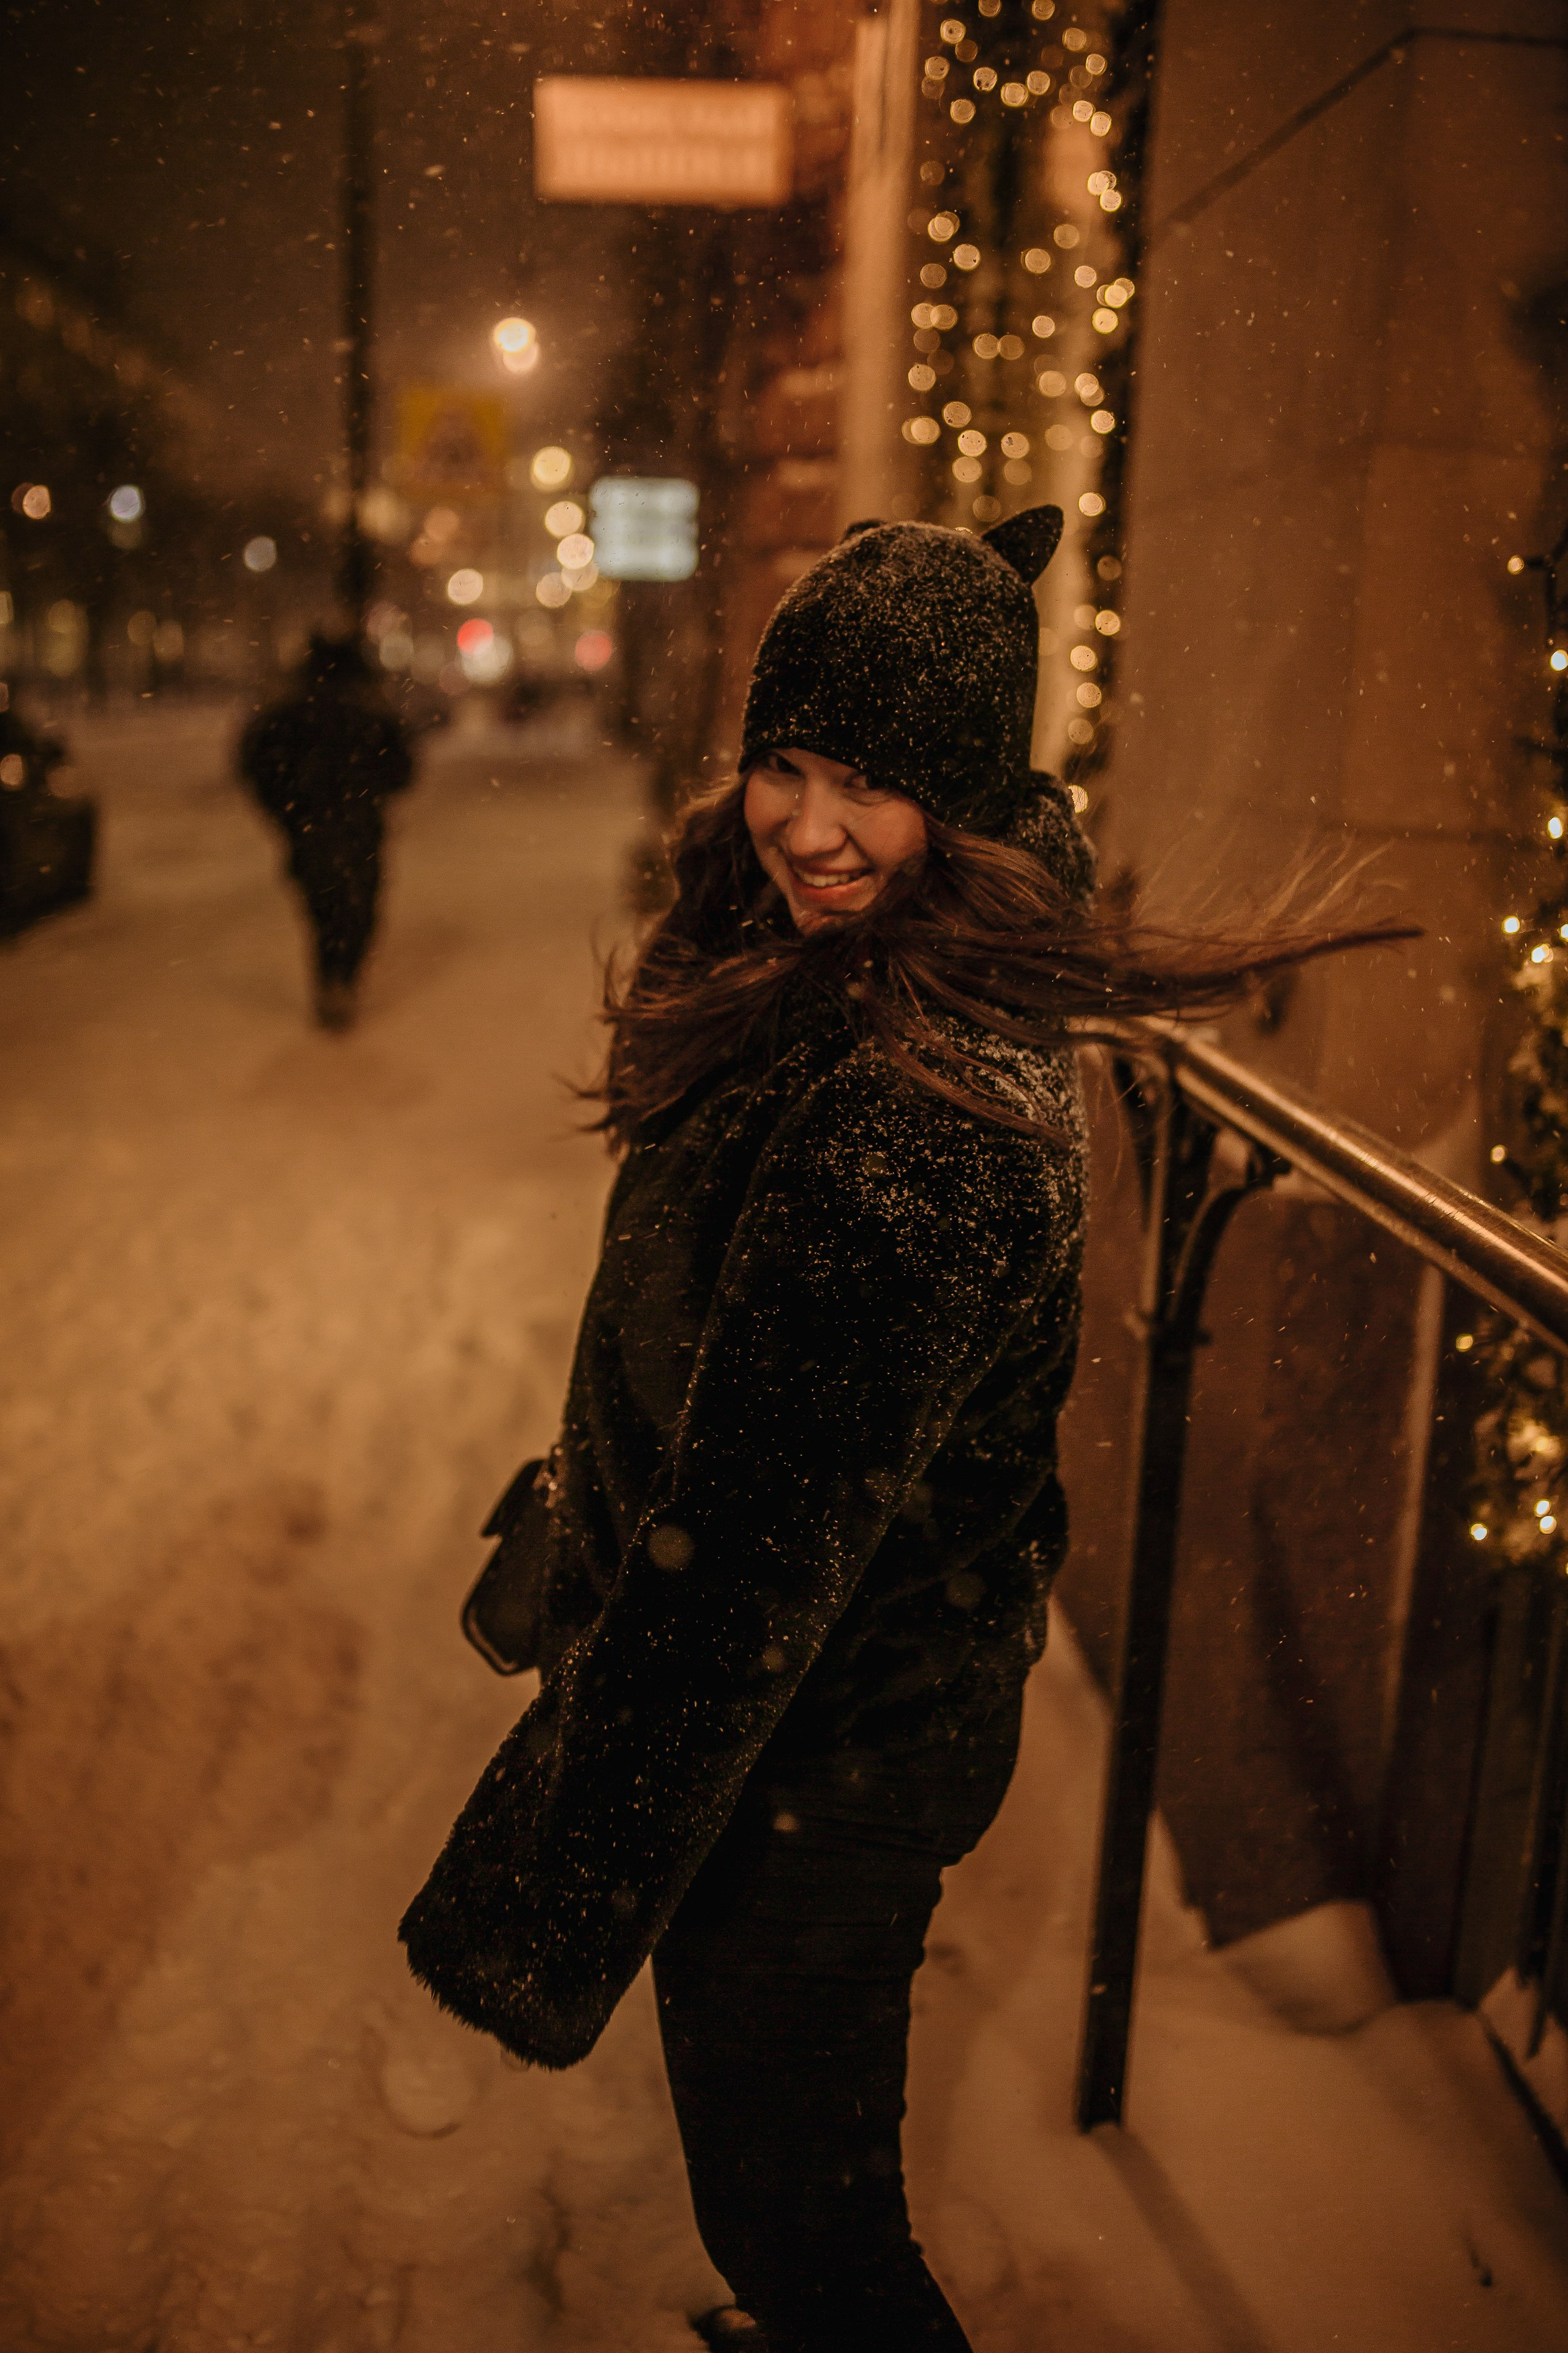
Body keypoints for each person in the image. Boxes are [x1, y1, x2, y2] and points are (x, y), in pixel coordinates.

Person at [399, 510, 1400, 2352]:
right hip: (838, 1721)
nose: (804, 821)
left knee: (806, 2225)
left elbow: (754, 1557)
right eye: (782, 764)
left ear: (960, 796)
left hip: (818, 1753)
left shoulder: (916, 1115)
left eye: (865, 778)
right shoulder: (861, 983)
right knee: (796, 2190)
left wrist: (550, 1880)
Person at [238, 633, 412, 1030]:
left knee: (324, 909)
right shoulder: (370, 711)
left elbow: (254, 764)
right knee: (358, 909)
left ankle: (332, 980)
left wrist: (285, 812)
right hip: (358, 829)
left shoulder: (287, 713)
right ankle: (341, 980)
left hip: (309, 827)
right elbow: (404, 770)